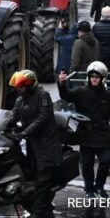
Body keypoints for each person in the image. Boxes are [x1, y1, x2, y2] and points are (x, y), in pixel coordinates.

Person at [7, 70, 62, 218]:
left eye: (22, 87)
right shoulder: (20, 100)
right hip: (32, 143)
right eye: (18, 87)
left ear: (30, 85)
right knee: (30, 176)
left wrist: (25, 132)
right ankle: (44, 209)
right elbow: (12, 117)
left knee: (42, 179)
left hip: (46, 144)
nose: (19, 90)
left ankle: (37, 213)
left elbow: (43, 117)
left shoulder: (43, 96)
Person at [58, 61, 110, 198]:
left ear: (102, 78)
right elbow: (66, 95)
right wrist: (61, 84)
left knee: (106, 161)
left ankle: (99, 187)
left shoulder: (107, 95)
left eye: (97, 77)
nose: (94, 79)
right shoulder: (81, 91)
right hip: (85, 134)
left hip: (103, 134)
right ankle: (89, 188)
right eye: (92, 76)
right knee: (87, 164)